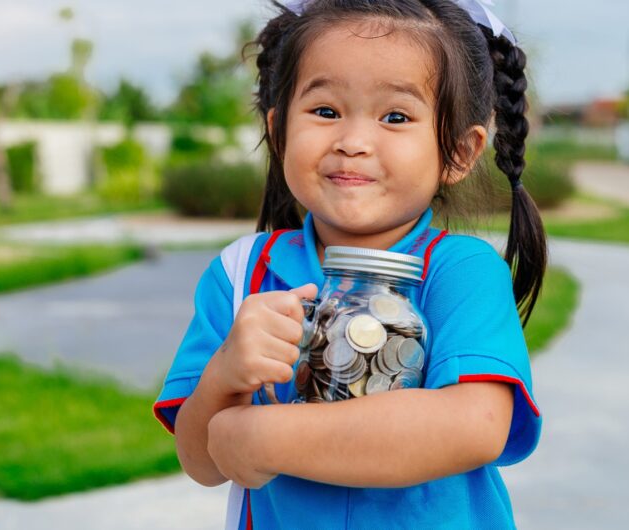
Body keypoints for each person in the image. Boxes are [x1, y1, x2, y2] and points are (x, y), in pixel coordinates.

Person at [154, 0, 547, 527]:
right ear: (278, 129)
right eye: (325, 111)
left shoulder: (461, 271)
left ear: (458, 151)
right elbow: (202, 461)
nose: (353, 142)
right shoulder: (241, 273)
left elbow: (475, 424)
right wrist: (225, 373)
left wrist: (263, 436)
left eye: (395, 117)